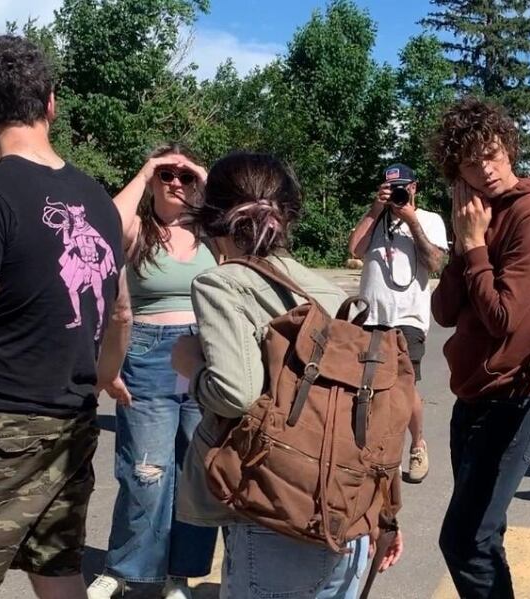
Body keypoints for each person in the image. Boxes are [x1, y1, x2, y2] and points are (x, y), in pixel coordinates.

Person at [171, 151, 403, 599]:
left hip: (276, 510)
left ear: (213, 217)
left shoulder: (222, 282)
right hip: (344, 509)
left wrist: (191, 367)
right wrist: (385, 512)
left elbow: (235, 395)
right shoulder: (329, 292)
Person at [0, 35, 129, 599]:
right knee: (57, 574)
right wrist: (103, 374)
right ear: (51, 103)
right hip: (72, 420)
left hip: (6, 423)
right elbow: (119, 311)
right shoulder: (97, 199)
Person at [430, 97, 530, 598]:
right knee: (485, 533)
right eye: (470, 162)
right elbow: (445, 312)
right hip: (473, 394)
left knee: (465, 540)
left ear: (509, 148)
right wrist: (462, 239)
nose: (485, 168)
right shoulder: (475, 216)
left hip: (518, 393)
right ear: (457, 172)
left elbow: (504, 317)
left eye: (491, 153)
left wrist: (474, 246)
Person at [87, 144, 219, 599]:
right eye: (168, 175)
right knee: (147, 470)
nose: (176, 183)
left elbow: (251, 221)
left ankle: (179, 574)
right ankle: (128, 569)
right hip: (146, 354)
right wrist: (145, 171)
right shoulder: (138, 228)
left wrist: (205, 175)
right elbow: (103, 221)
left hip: (204, 356)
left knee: (196, 470)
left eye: (184, 176)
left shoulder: (212, 231)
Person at [348, 163, 447, 483]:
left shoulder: (430, 220)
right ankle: (371, 450)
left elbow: (433, 263)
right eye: (391, 189)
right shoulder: (376, 219)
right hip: (370, 315)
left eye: (402, 188)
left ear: (414, 187)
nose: (397, 194)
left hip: (408, 318)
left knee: (405, 387)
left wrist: (411, 220)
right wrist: (375, 209)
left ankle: (417, 445)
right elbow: (354, 249)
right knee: (366, 386)